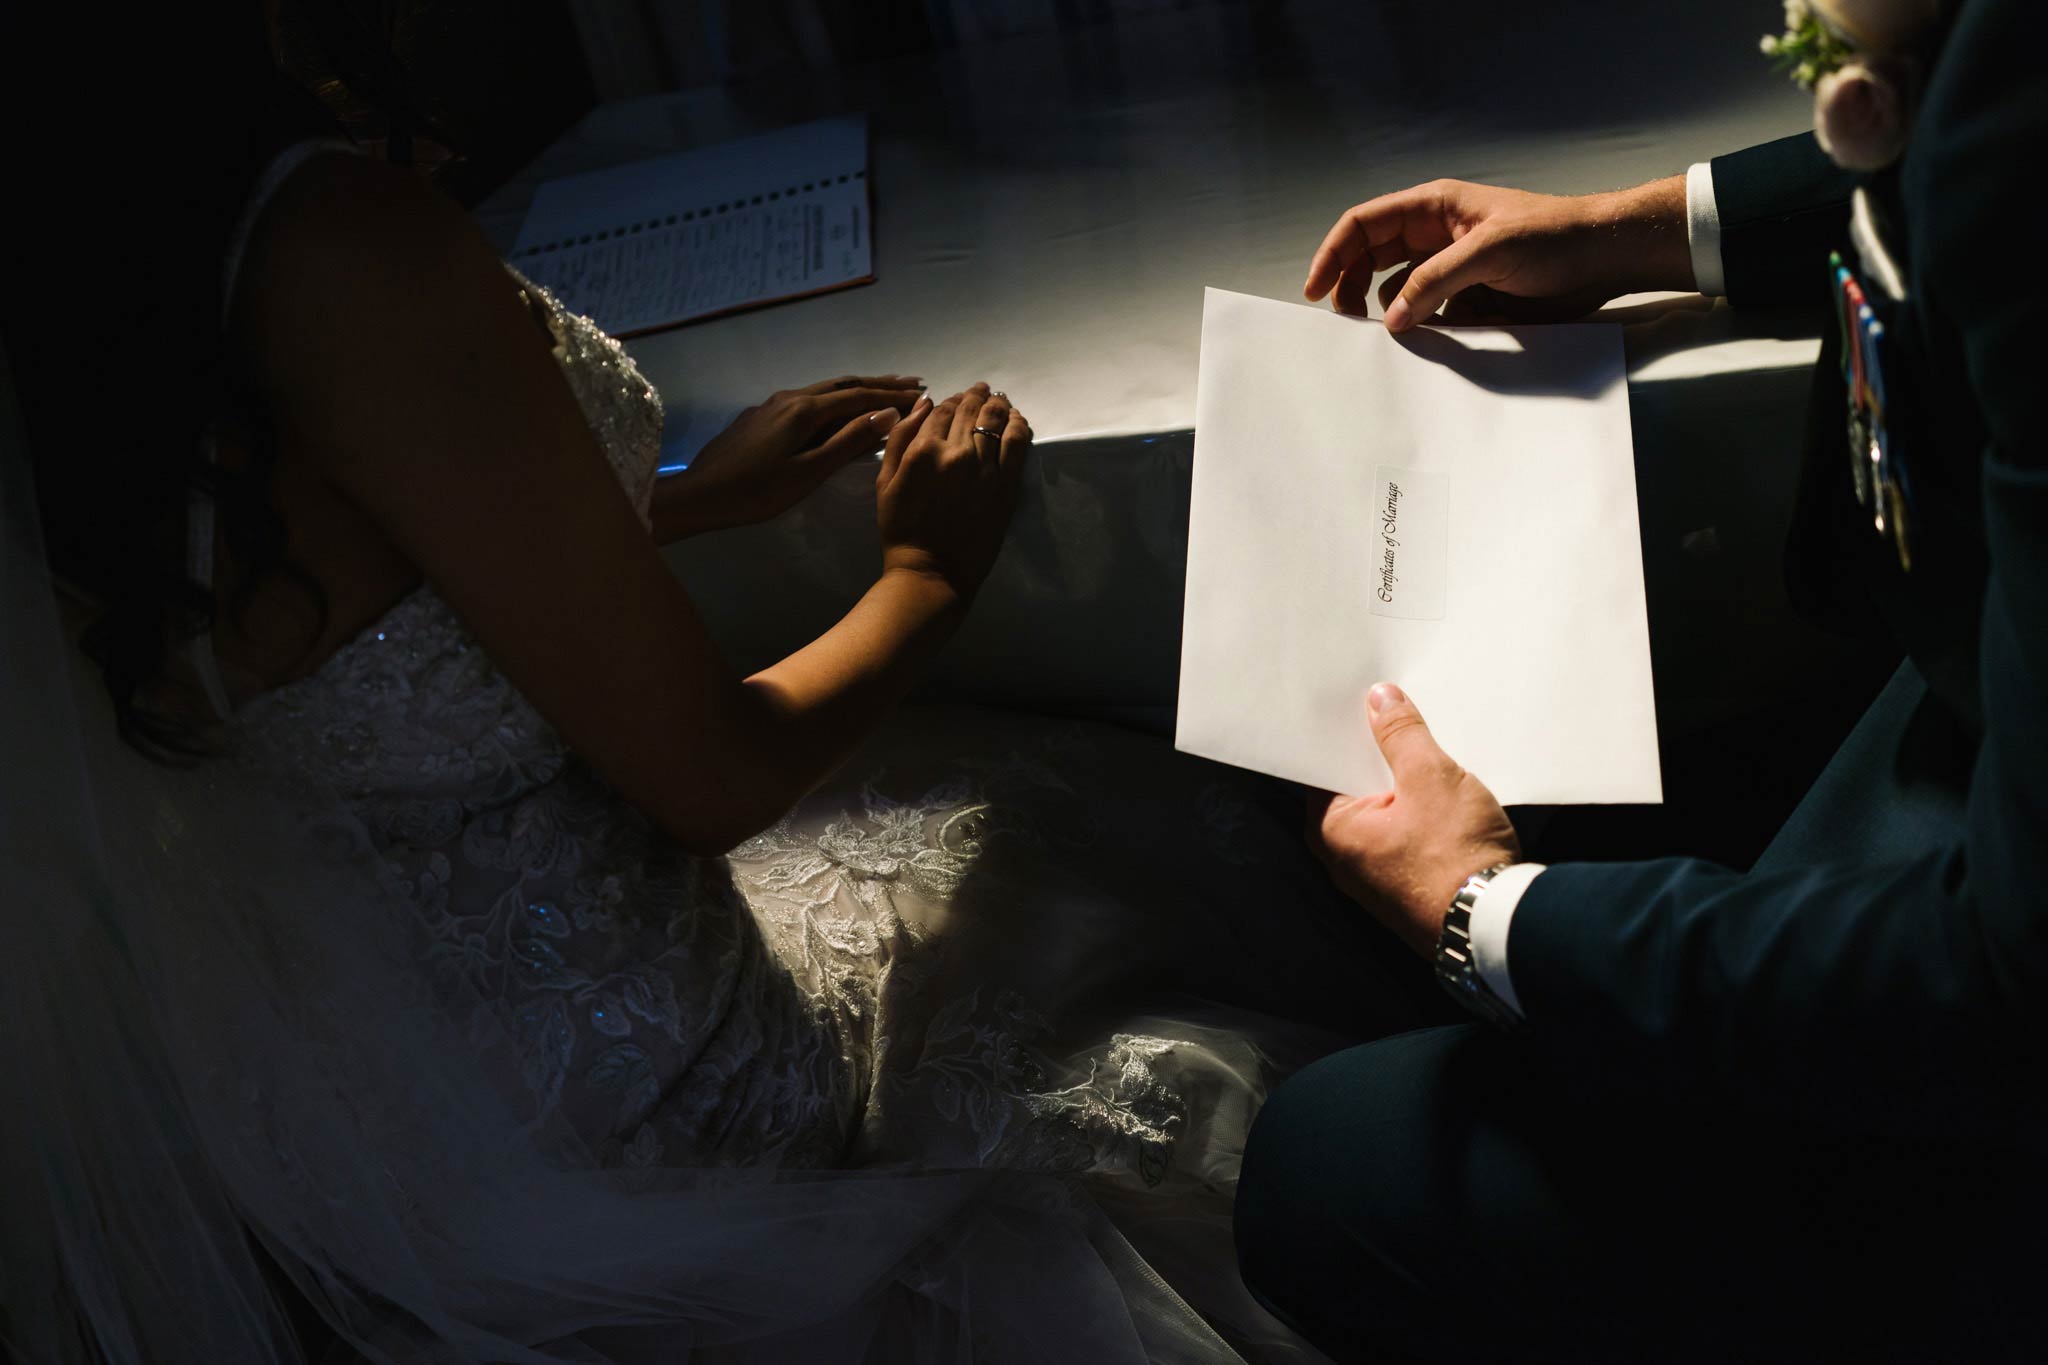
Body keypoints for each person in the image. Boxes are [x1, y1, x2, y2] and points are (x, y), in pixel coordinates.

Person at [0, 9, 1442, 1362]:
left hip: (379, 1109)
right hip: (649, 1104)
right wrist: (930, 572)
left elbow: (338, 595)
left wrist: (666, 494)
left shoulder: (91, 255)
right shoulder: (338, 255)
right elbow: (711, 776)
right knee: (1137, 844)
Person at [1235, 0, 2048, 1359]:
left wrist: (1485, 911)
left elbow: (2004, 985)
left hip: (1994, 1018)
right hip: (1964, 686)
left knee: (1319, 1168)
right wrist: (1646, 227)